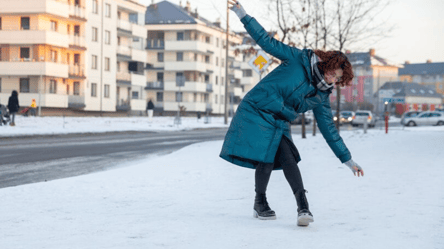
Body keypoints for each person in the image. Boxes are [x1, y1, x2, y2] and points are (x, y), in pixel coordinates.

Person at [220, 1, 364, 227]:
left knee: (286, 157)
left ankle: (300, 207)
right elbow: (266, 42)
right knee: (265, 158)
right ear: (327, 64)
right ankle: (263, 202)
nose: (333, 81)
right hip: (257, 109)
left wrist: (347, 159)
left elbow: (329, 129)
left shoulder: (322, 95)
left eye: (338, 80)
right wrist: (241, 13)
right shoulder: (299, 58)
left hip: (279, 119)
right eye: (334, 75)